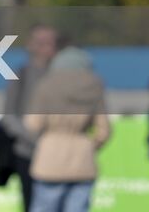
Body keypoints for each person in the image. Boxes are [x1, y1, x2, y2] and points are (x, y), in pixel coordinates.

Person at [24, 47, 111, 212]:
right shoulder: (94, 86)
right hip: (83, 158)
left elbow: (33, 124)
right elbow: (104, 130)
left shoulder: (46, 85)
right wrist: (89, 145)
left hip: (50, 158)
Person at [0, 24, 60, 209]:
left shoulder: (62, 76)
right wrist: (32, 137)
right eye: (40, 43)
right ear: (31, 45)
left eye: (50, 43)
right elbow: (8, 116)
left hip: (58, 153)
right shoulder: (21, 75)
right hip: (27, 152)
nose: (46, 48)